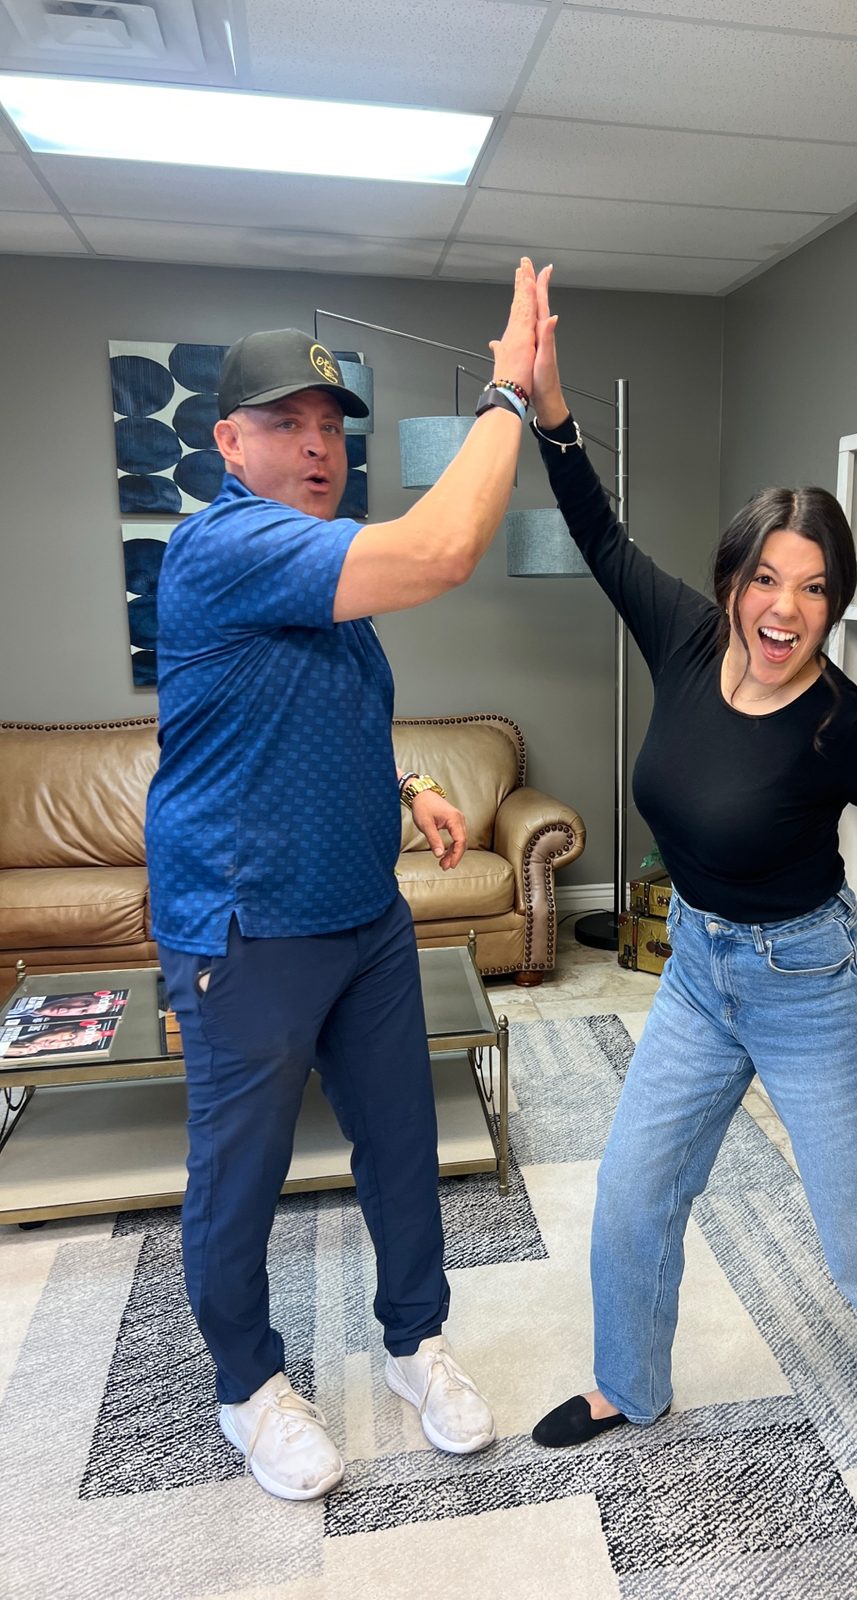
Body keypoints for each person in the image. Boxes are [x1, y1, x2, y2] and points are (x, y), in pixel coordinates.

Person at [524, 266, 857, 1524]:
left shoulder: (842, 728)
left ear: (833, 604)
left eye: (815, 588)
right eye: (767, 578)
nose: (785, 608)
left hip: (811, 984)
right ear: (734, 577)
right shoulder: (687, 640)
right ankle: (629, 1384)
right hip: (697, 969)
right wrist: (551, 411)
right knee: (633, 1192)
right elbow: (599, 533)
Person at [145, 260, 540, 1502]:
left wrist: (405, 786)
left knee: (403, 1140)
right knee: (242, 1167)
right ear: (228, 441)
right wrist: (510, 392)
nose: (318, 449)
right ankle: (246, 1385)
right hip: (248, 924)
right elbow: (445, 547)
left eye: (331, 429)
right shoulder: (221, 549)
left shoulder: (320, 566)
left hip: (363, 914)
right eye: (286, 425)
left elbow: (323, 713)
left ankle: (416, 1342)